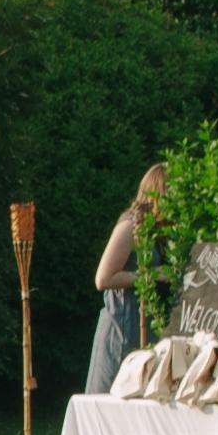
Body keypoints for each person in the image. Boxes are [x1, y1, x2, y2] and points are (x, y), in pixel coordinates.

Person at [84, 165, 170, 394]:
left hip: (141, 328)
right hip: (120, 328)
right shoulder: (130, 225)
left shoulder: (155, 232)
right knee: (106, 400)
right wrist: (155, 274)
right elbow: (103, 278)